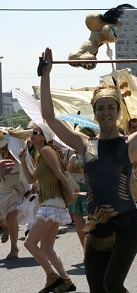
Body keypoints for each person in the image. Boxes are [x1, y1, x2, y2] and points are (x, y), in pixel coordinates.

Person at [37, 47, 137, 293]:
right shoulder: (85, 144)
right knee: (96, 288)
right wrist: (46, 75)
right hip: (95, 228)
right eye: (101, 108)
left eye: (111, 108)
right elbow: (49, 116)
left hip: (126, 225)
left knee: (112, 284)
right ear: (95, 113)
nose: (106, 113)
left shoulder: (130, 143)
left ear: (118, 112)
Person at [19, 123, 76, 293]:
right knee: (47, 248)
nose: (32, 134)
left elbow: (59, 172)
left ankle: (52, 277)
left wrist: (71, 191)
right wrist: (22, 160)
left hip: (52, 203)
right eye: (32, 132)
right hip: (53, 204)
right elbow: (30, 180)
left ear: (44, 136)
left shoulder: (46, 150)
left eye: (35, 132)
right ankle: (66, 281)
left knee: (29, 243)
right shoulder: (39, 154)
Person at [0, 129, 32, 260]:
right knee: (3, 219)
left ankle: (14, 248)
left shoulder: (18, 147)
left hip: (16, 186)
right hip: (1, 186)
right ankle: (5, 228)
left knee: (11, 216)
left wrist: (32, 185)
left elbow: (29, 166)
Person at [66, 127, 96, 248]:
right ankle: (85, 248)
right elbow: (68, 173)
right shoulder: (74, 157)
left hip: (92, 189)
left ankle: (93, 246)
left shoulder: (95, 155)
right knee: (78, 222)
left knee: (93, 220)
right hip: (78, 189)